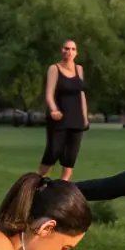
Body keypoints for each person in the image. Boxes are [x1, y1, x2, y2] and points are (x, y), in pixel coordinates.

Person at [39, 40, 88, 181]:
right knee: (53, 152)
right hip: (59, 119)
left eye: (73, 49)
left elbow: (81, 94)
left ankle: (63, 185)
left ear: (76, 52)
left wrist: (85, 117)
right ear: (62, 50)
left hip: (76, 118)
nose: (69, 52)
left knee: (70, 156)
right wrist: (54, 110)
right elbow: (49, 95)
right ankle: (38, 182)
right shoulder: (54, 69)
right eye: (66, 48)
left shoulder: (79, 69)